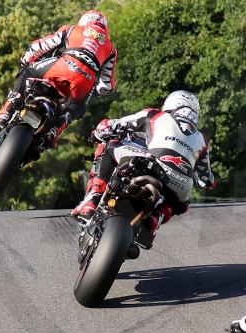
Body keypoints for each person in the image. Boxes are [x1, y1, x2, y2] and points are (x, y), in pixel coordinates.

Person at [72, 91, 216, 236]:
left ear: (170, 104)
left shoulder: (156, 116)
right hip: (181, 185)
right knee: (182, 203)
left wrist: (98, 132)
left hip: (151, 164)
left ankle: (93, 199)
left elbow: (115, 125)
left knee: (108, 146)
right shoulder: (202, 140)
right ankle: (155, 218)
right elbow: (206, 181)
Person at [0, 11, 117, 146]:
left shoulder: (72, 29)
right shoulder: (111, 49)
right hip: (85, 80)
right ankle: (56, 130)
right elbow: (106, 86)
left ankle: (5, 111)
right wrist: (95, 90)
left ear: (83, 21)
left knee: (28, 71)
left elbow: (39, 46)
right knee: (78, 106)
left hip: (62, 66)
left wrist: (26, 59)